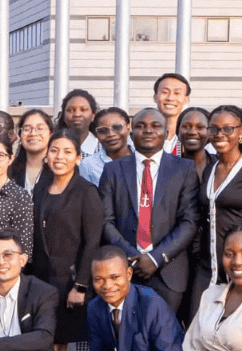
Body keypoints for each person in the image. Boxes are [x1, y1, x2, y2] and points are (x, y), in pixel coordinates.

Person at [29, 130, 104, 351]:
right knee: (48, 345)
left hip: (70, 282)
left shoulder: (86, 191)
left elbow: (92, 241)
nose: (59, 157)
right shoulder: (42, 187)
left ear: (78, 157)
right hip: (41, 280)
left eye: (67, 151)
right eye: (54, 151)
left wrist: (82, 285)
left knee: (60, 348)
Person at [100, 108, 200, 315]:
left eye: (155, 126)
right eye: (140, 126)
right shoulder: (113, 170)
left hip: (168, 271)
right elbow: (105, 221)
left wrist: (156, 257)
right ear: (130, 131)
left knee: (165, 341)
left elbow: (189, 221)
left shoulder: (184, 169)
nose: (148, 131)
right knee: (127, 338)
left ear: (166, 133)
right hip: (124, 270)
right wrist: (132, 256)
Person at [189, 105, 242, 321]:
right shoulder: (211, 168)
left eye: (228, 129)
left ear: (241, 131)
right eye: (214, 129)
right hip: (207, 266)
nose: (219, 135)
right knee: (197, 325)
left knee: (234, 331)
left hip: (239, 266)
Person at [78, 107, 132, 185]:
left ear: (128, 127)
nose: (111, 134)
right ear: (96, 134)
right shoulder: (88, 166)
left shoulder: (143, 158)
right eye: (103, 130)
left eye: (117, 127)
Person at [8, 108, 54, 194]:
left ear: (51, 134)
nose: (33, 133)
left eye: (40, 128)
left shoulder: (59, 170)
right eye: (27, 128)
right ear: (20, 134)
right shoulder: (9, 171)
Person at [152, 72, 191, 154]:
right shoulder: (143, 135)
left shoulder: (191, 136)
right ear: (155, 97)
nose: (170, 98)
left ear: (186, 99)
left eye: (177, 93)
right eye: (165, 92)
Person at [56, 88, 99, 156]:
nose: (77, 114)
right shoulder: (53, 146)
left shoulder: (103, 148)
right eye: (70, 110)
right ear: (63, 115)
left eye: (83, 110)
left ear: (93, 116)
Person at [176, 107, 213, 181]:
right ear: (177, 131)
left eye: (200, 127)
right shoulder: (167, 166)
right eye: (186, 126)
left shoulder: (220, 165)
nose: (192, 132)